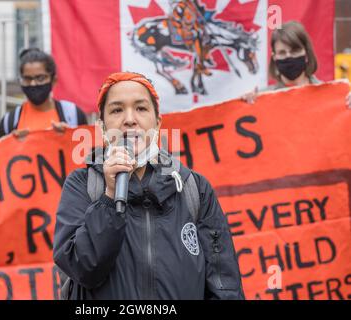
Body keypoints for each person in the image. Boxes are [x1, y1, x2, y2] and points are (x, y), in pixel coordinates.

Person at [53, 72, 244, 300]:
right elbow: (81, 269)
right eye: (116, 110)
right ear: (103, 127)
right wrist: (109, 198)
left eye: (141, 108)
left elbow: (224, 284)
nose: (130, 119)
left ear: (158, 122)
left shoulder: (194, 187)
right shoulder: (82, 185)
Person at [242, 21, 351, 108]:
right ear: (274, 57)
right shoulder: (262, 98)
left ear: (306, 54)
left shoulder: (331, 96)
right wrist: (244, 106)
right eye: (282, 52)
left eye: (295, 51)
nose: (289, 56)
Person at [0, 48, 87, 139]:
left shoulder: (73, 115)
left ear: (54, 80)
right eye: (27, 79)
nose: (33, 83)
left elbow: (89, 151)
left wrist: (70, 137)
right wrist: (10, 144)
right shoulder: (9, 122)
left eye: (40, 78)